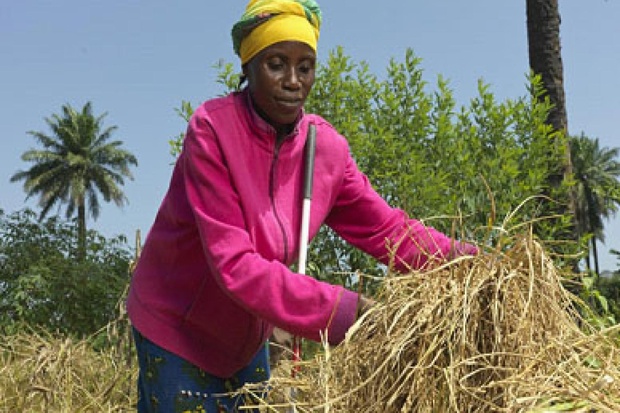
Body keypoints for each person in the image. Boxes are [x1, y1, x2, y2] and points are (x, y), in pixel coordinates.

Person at [126, 0, 477, 411]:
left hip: (246, 337)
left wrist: (467, 261)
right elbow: (235, 265)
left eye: (305, 66)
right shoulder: (212, 132)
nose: (293, 81)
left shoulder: (324, 150)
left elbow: (388, 230)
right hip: (177, 328)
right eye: (276, 64)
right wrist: (349, 313)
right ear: (248, 66)